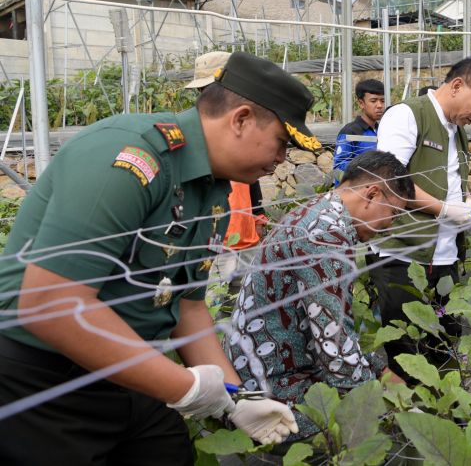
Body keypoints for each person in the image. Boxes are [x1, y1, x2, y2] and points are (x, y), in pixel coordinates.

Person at [0, 52, 322, 464]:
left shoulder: (213, 190)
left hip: (129, 371)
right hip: (42, 381)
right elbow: (52, 305)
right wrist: (183, 388)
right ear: (240, 119)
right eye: (281, 141)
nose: (281, 161)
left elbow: (188, 308)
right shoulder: (128, 158)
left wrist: (233, 399)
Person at [226, 150, 411, 442]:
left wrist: (380, 368)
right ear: (373, 194)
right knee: (383, 435)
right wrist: (396, 409)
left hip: (268, 365)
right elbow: (335, 348)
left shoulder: (323, 211)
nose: (390, 225)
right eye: (394, 213)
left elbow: (332, 329)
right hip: (270, 389)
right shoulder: (326, 234)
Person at [368, 58, 471, 380]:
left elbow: (453, 180)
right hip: (403, 253)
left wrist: (465, 203)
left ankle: (440, 412)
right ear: (457, 86)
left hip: (444, 255)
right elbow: (391, 182)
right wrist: (445, 209)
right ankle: (406, 418)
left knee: (443, 342)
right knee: (405, 349)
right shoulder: (407, 115)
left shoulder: (457, 131)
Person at [184, 51, 268, 295]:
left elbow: (251, 175)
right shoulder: (195, 132)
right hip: (213, 239)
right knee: (214, 300)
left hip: (245, 230)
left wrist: (258, 213)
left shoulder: (244, 125)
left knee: (245, 300)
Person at [333, 79, 385, 181]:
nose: (379, 105)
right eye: (373, 101)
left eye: (382, 101)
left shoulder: (382, 130)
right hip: (356, 192)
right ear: (361, 103)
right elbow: (338, 167)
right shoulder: (350, 132)